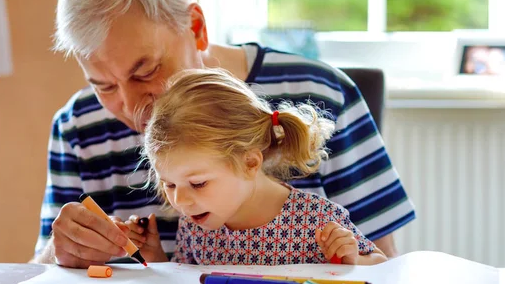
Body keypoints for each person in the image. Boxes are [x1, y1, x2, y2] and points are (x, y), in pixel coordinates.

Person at [31, 0, 415, 268]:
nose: (132, 107)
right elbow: (40, 277)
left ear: (196, 27)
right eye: (103, 85)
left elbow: (383, 265)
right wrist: (60, 251)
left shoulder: (322, 93)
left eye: (145, 71)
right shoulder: (77, 126)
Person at [123, 68, 387, 265]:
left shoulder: (316, 220)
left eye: (198, 183)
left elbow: (381, 266)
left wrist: (352, 261)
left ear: (249, 162)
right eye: (169, 184)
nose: (180, 200)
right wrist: (153, 255)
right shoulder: (195, 223)